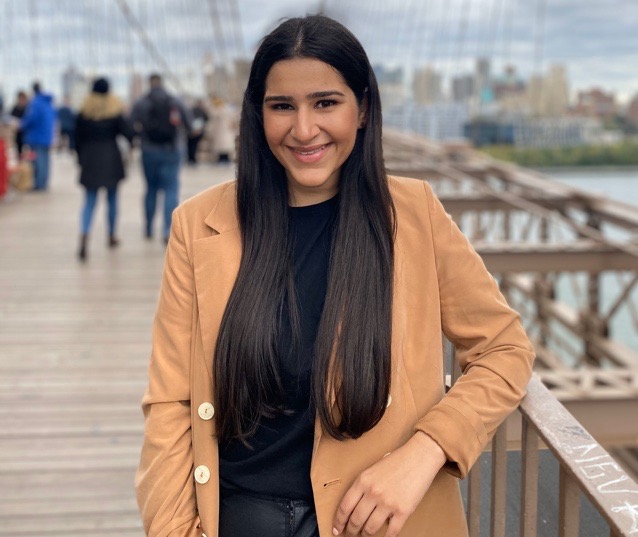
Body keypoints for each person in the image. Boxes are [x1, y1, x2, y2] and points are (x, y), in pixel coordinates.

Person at [135, 15, 534, 537]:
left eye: (326, 103)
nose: (304, 130)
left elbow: (505, 350)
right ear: (258, 116)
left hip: (380, 521)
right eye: (282, 107)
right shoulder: (199, 226)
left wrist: (426, 451)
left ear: (362, 108)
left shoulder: (415, 216)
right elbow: (171, 402)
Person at [74, 77, 133, 261]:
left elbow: (76, 139)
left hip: (90, 157)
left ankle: (84, 235)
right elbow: (128, 132)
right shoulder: (114, 111)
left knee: (90, 200)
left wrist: (80, 158)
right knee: (112, 199)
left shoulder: (84, 112)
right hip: (110, 157)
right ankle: (111, 235)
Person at [130, 73, 192, 244]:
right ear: (162, 83)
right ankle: (167, 230)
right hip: (172, 150)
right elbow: (189, 124)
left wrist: (141, 134)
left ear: (149, 84)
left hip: (149, 150)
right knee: (170, 189)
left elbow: (130, 124)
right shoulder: (175, 101)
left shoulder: (141, 102)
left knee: (151, 189)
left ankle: (149, 227)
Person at [21, 82, 56, 191]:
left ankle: (38, 184)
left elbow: (32, 119)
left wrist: (22, 124)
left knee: (37, 162)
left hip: (36, 137)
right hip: (46, 136)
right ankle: (43, 183)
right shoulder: (49, 103)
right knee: (45, 161)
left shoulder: (35, 103)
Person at [208, 96, 237, 163]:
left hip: (223, 131)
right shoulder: (226, 110)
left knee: (223, 146)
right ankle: (223, 158)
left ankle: (223, 158)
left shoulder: (218, 110)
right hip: (223, 131)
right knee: (223, 146)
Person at [187, 98, 209, 165]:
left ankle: (190, 158)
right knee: (195, 145)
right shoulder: (202, 111)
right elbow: (207, 118)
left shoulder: (191, 110)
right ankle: (193, 159)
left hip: (191, 131)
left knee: (190, 145)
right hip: (199, 131)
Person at [10, 91, 28, 158]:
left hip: (26, 134)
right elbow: (11, 118)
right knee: (19, 151)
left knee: (27, 152)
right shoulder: (15, 108)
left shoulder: (28, 108)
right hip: (18, 133)